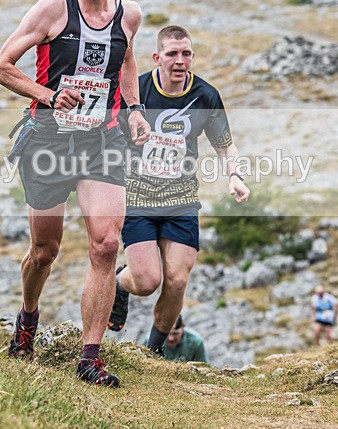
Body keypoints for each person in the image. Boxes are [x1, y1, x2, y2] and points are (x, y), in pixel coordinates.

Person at [0, 0, 150, 388]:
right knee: (45, 250)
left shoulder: (130, 15)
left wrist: (135, 110)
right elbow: (1, 68)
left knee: (105, 244)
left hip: (102, 140)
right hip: (48, 142)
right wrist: (46, 94)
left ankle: (90, 358)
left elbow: (124, 59)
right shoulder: (51, 10)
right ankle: (28, 319)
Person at [107, 25, 250, 356]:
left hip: (182, 200)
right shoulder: (135, 91)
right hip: (138, 198)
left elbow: (225, 145)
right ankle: (119, 283)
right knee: (146, 281)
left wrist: (235, 176)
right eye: (172, 54)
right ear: (157, 57)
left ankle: (153, 352)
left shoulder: (205, 96)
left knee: (177, 280)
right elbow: (107, 135)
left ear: (192, 57)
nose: (179, 60)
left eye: (186, 54)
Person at [143, 314, 208, 362]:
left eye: (175, 334)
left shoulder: (196, 342)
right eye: (167, 334)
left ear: (183, 326)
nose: (171, 338)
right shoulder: (149, 340)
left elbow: (203, 366)